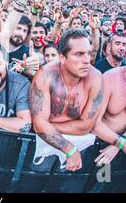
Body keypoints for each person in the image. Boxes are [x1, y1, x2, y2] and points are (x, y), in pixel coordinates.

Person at [30, 29, 104, 171]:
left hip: (81, 149)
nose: (87, 60)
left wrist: (47, 126)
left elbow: (86, 126)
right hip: (44, 149)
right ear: (62, 58)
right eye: (79, 54)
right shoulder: (45, 75)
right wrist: (70, 149)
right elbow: (39, 124)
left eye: (89, 53)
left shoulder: (96, 78)